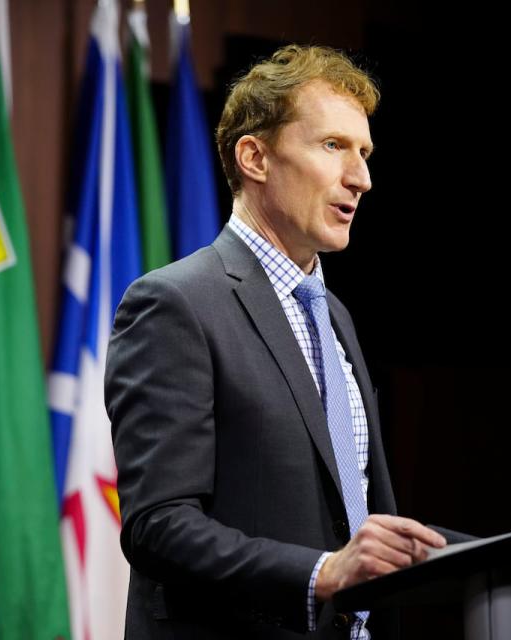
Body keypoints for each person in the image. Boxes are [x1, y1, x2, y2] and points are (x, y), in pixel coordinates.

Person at [105, 45, 448, 639]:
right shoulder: (175, 304)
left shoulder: (335, 315)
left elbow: (361, 510)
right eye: (333, 146)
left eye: (364, 153)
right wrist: (320, 574)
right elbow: (158, 525)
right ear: (256, 157)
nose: (362, 178)